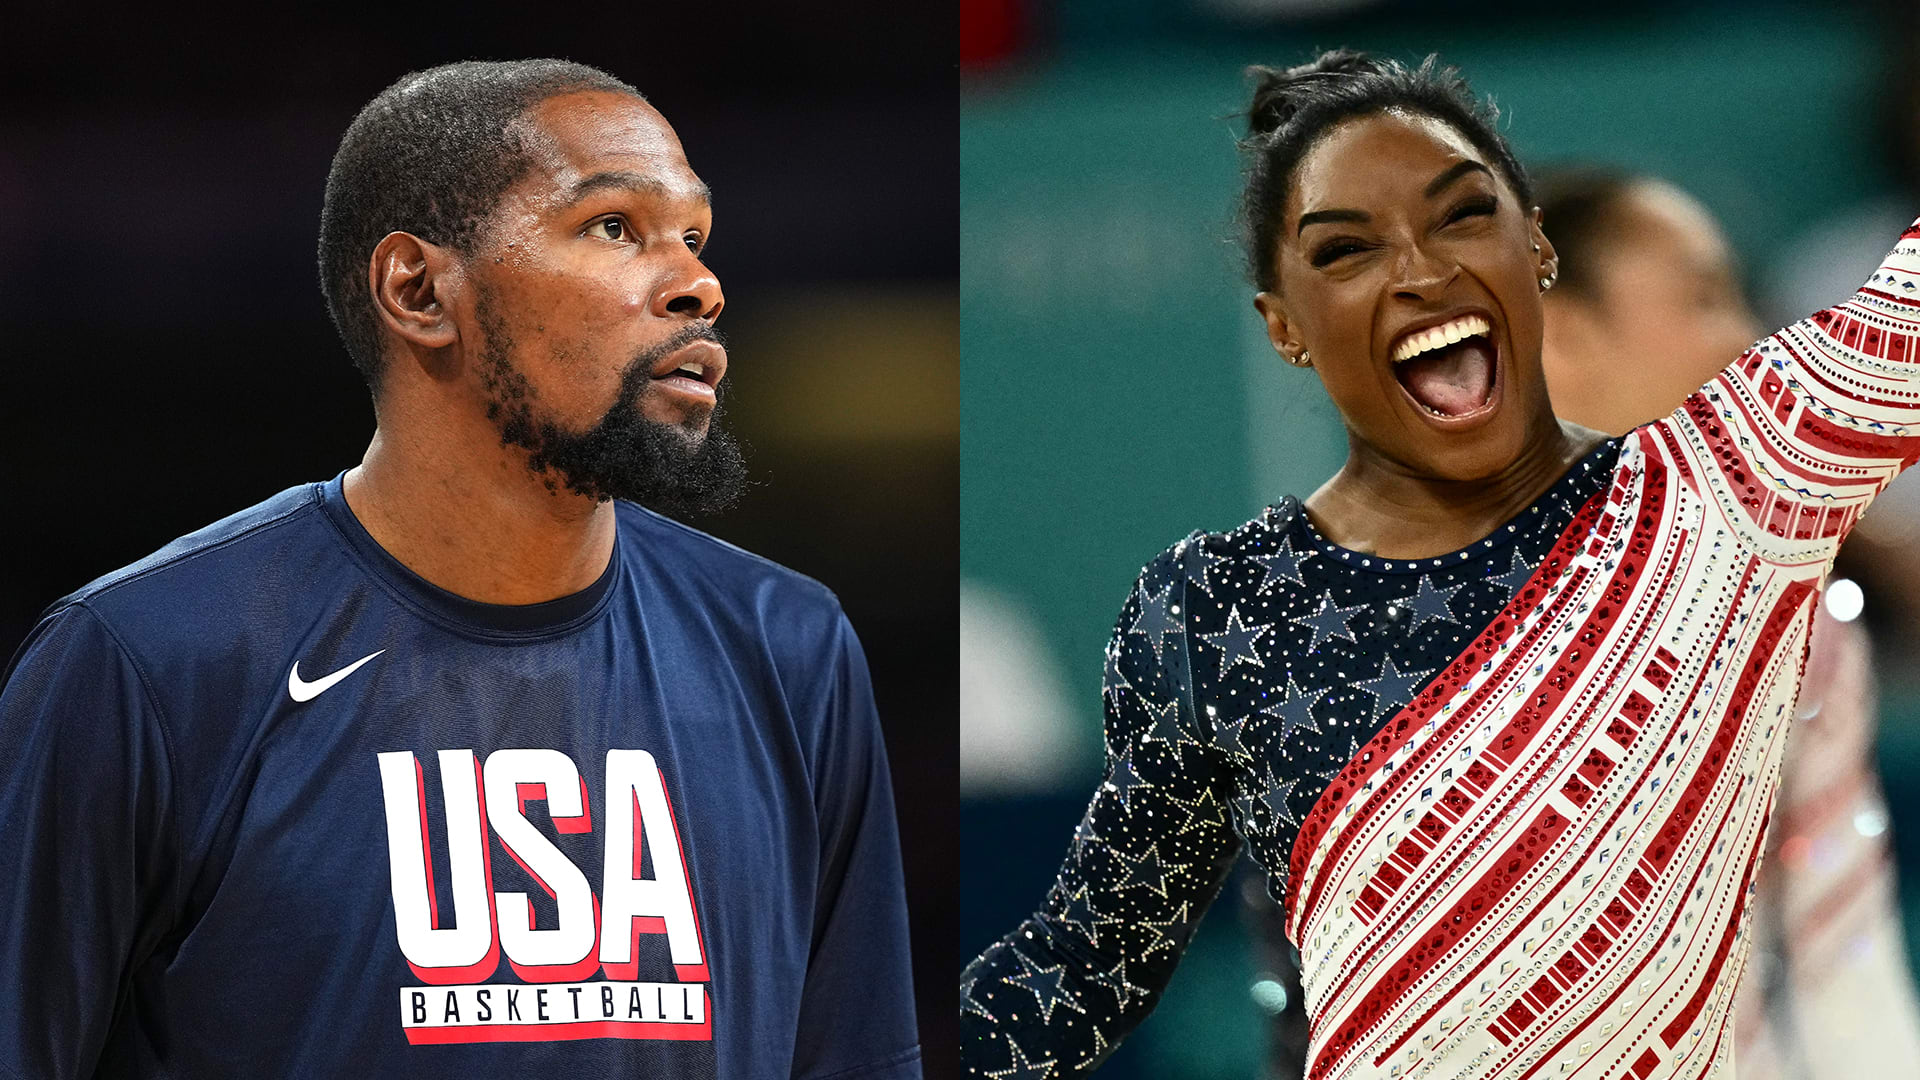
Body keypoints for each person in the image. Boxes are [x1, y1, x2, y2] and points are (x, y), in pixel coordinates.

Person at [961, 49, 1920, 1080]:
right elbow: (1081, 975)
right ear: (1285, 325)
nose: (1421, 272)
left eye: (1464, 217)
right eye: (1344, 251)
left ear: (1534, 256)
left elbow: (1843, 954)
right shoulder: (1217, 612)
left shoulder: (1745, 523)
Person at [0, 60, 920, 1080]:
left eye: (694, 236)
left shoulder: (789, 649)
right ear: (420, 289)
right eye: (614, 226)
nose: (698, 284)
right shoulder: (147, 662)